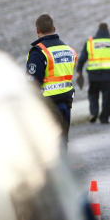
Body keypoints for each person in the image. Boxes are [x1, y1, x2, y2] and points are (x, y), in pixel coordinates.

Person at [25, 14, 76, 146]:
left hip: (48, 106)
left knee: (49, 145)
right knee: (62, 141)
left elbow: (33, 83)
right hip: (66, 103)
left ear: (37, 30)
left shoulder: (38, 52)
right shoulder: (68, 50)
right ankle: (63, 166)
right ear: (54, 28)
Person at [75, 23, 110, 124]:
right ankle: (104, 118)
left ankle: (94, 112)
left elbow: (82, 58)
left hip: (94, 75)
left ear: (98, 29)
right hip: (109, 75)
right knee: (108, 97)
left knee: (93, 94)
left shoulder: (90, 42)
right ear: (108, 29)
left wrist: (79, 70)